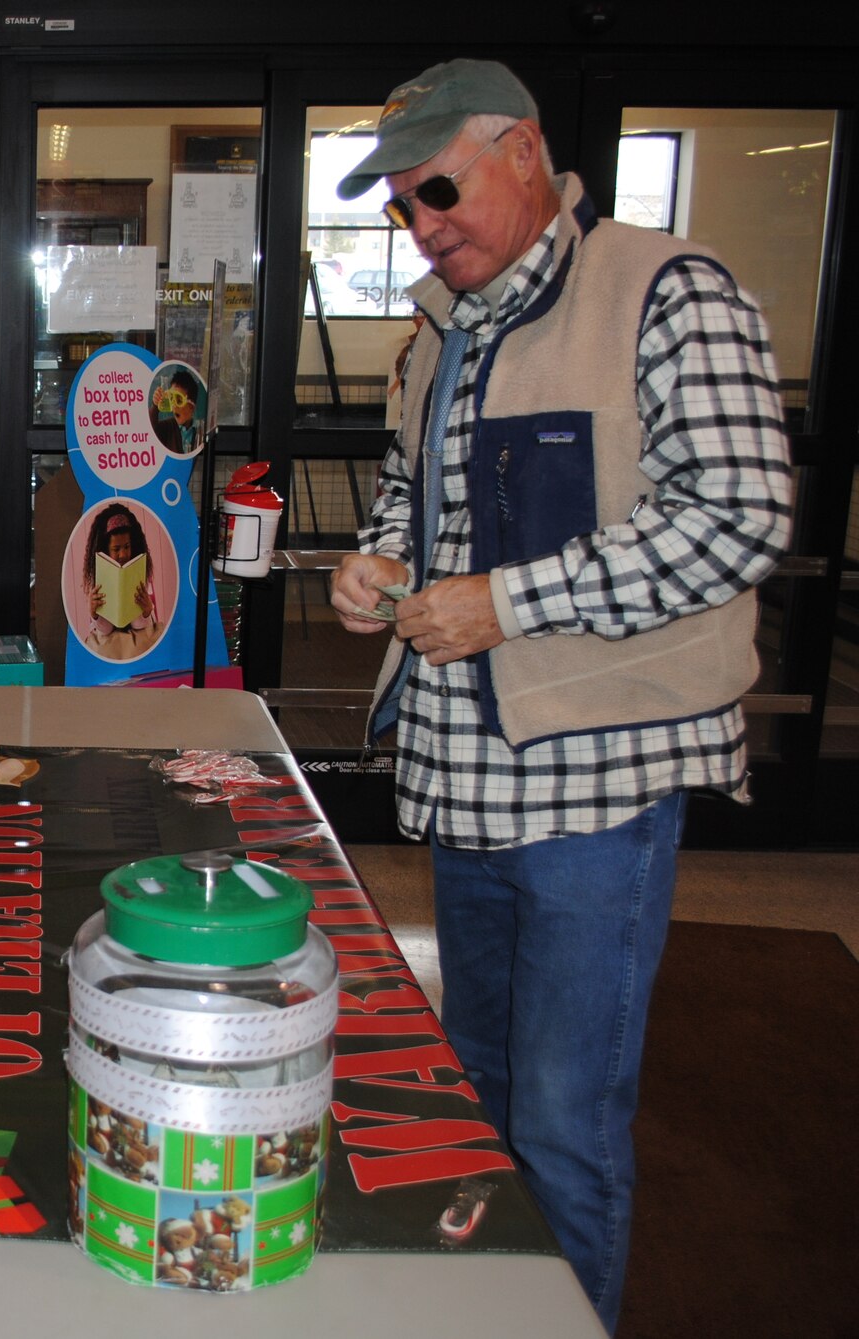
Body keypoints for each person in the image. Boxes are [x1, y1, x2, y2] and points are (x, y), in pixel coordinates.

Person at [328, 59, 792, 1332]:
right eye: (400, 206)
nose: (421, 224)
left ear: (524, 152)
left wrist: (507, 602)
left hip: (598, 790)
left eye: (437, 189)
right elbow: (410, 501)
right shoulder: (438, 331)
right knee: (472, 1101)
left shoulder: (665, 290)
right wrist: (379, 566)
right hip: (461, 786)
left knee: (562, 1124)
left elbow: (737, 517)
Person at [81, 502, 163, 661]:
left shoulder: (139, 570)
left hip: (137, 639)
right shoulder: (98, 579)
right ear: (105, 550)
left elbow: (140, 625)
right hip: (111, 643)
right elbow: (105, 630)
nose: (123, 554)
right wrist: (94, 614)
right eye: (116, 549)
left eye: (127, 546)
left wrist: (147, 611)